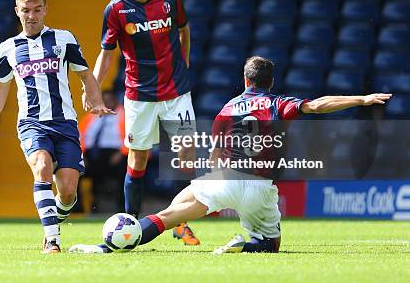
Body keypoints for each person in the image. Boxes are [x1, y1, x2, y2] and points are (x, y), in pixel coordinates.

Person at [69, 56, 392, 254]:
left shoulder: (227, 107)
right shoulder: (277, 102)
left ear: (246, 80)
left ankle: (112, 244)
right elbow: (318, 105)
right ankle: (249, 243)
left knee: (168, 216)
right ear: (270, 82)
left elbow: (215, 152)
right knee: (270, 244)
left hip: (221, 179)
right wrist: (362, 100)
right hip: (258, 187)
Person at [0, 0, 114, 254]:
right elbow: (0, 86)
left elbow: (85, 74)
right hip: (31, 123)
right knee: (42, 168)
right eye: (25, 10)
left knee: (68, 192)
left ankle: (51, 221)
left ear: (46, 10)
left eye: (36, 10)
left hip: (65, 123)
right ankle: (52, 239)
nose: (31, 16)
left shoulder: (63, 39)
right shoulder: (7, 48)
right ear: (16, 11)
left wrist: (97, 101)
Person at [89, 0, 199, 245]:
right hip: (139, 96)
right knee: (137, 160)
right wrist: (94, 88)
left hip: (176, 92)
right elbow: (107, 55)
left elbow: (184, 30)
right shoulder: (115, 10)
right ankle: (131, 226)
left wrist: (184, 63)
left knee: (186, 158)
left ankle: (179, 221)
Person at [78, 90, 126, 213]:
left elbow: (133, 137)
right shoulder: (91, 116)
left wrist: (121, 153)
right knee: (74, 169)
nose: (108, 103)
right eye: (105, 100)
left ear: (116, 100)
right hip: (91, 154)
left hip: (116, 154)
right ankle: (78, 208)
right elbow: (80, 137)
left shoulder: (125, 115)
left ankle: (123, 208)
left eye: (110, 99)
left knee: (125, 172)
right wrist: (81, 155)